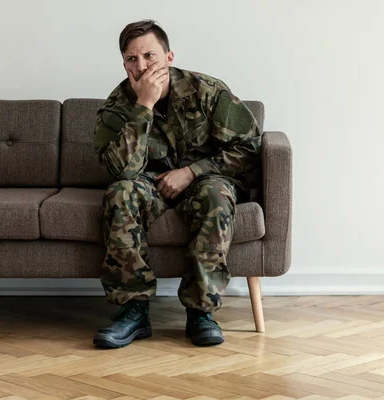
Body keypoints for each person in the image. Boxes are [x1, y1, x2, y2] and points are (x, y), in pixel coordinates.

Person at [92, 20, 262, 348]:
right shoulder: (116, 107)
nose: (141, 67)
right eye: (131, 59)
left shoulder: (208, 90)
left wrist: (193, 172)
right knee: (119, 194)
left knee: (215, 194)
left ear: (169, 56)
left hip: (205, 180)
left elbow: (249, 148)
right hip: (149, 184)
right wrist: (144, 106)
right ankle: (133, 312)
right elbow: (120, 171)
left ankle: (201, 313)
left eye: (149, 56)